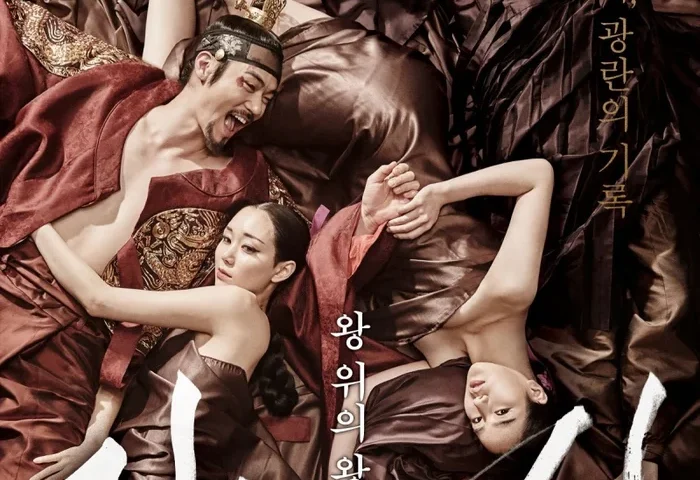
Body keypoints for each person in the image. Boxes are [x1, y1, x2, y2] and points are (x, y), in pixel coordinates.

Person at [0, 2, 290, 477]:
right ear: (205, 66)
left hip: (69, 353)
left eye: (269, 98)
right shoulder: (115, 83)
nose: (257, 108)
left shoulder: (246, 188)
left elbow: (306, 257)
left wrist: (97, 432)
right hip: (10, 273)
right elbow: (19, 29)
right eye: (250, 85)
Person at [26, 161, 419, 480]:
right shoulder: (209, 308)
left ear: (281, 271)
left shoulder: (236, 307)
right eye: (227, 239)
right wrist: (92, 441)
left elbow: (98, 299)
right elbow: (128, 371)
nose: (227, 255)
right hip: (132, 461)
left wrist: (33, 221)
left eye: (249, 249)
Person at [328, 158, 559, 477]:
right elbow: (537, 176)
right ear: (535, 392)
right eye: (502, 411)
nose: (480, 403)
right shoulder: (510, 295)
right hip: (407, 176)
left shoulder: (447, 366)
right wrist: (441, 194)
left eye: (477, 420)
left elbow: (360, 393)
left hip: (359, 229)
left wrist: (338, 472)